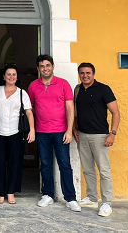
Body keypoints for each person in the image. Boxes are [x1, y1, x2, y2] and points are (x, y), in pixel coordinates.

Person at [28, 54, 80, 212]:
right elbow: (29, 108)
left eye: (48, 65)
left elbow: (70, 108)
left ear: (53, 67)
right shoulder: (33, 86)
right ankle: (48, 195)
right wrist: (32, 129)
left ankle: (70, 198)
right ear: (38, 69)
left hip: (61, 132)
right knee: (45, 164)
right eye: (42, 66)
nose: (45, 68)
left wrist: (69, 130)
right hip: (42, 131)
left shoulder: (63, 84)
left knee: (65, 164)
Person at [73, 62, 121, 217]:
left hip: (100, 136)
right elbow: (75, 112)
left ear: (93, 74)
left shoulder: (103, 89)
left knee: (104, 171)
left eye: (88, 73)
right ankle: (92, 198)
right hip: (82, 135)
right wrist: (74, 128)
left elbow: (115, 112)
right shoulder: (78, 89)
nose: (85, 76)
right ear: (79, 74)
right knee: (87, 169)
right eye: (82, 73)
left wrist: (112, 133)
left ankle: (107, 203)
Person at [0, 65, 35, 205]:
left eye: (14, 74)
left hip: (15, 132)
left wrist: (32, 130)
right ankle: (0, 192)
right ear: (3, 76)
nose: (11, 77)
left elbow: (28, 112)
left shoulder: (22, 93)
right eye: (8, 74)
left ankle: (10, 192)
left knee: (15, 163)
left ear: (17, 77)